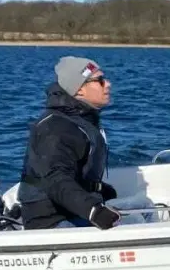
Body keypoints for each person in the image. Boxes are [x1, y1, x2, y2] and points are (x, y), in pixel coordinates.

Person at [15, 56, 122, 229]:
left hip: (73, 211)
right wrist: (93, 211)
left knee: (145, 208)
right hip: (52, 220)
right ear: (79, 90)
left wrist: (99, 190)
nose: (108, 84)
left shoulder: (79, 120)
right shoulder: (56, 127)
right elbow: (56, 179)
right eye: (100, 81)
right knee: (136, 222)